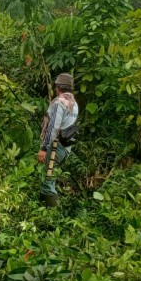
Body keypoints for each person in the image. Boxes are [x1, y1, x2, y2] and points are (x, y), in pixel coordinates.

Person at [37, 73, 79, 207]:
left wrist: (44, 148)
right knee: (50, 178)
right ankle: (41, 206)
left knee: (48, 183)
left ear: (58, 87)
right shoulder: (74, 103)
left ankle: (52, 219)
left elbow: (54, 127)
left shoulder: (59, 103)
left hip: (55, 147)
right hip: (65, 149)